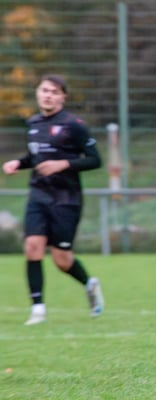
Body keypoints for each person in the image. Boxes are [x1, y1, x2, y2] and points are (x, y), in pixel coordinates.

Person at [2, 74, 104, 325]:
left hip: (66, 199)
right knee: (32, 247)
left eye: (54, 92)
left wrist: (63, 164)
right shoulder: (33, 123)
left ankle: (89, 284)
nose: (48, 95)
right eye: (44, 90)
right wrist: (19, 163)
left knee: (62, 260)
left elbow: (95, 160)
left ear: (62, 98)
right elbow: (35, 156)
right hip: (39, 194)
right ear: (38, 93)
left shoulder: (74, 125)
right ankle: (38, 309)